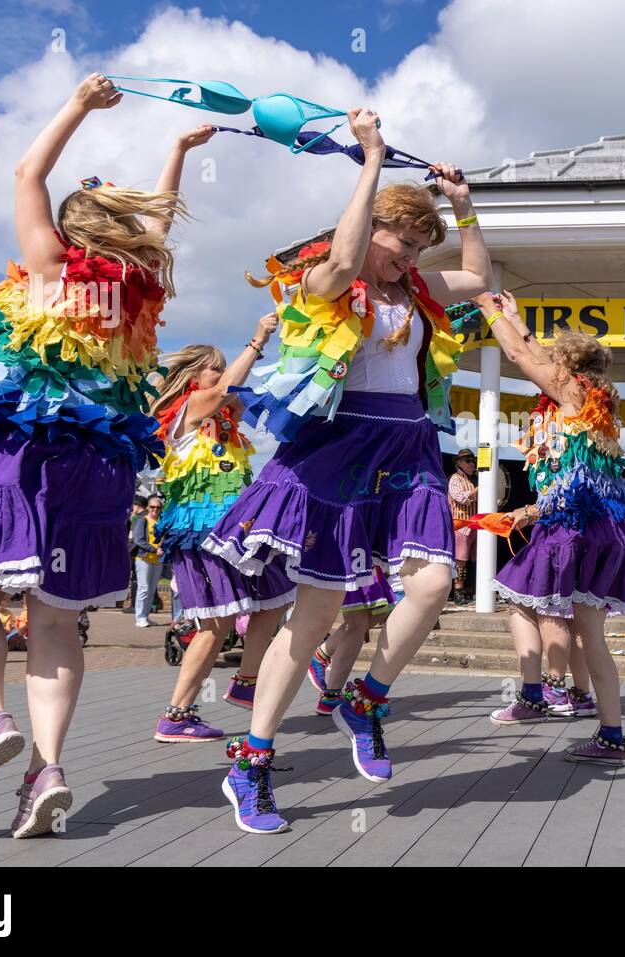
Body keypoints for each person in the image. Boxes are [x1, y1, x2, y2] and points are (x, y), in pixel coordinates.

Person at [0, 74, 206, 838]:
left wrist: (78, 106)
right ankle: (47, 770)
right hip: (98, 468)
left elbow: (27, 172)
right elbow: (157, 229)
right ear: (125, 236)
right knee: (57, 624)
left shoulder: (50, 266)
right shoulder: (136, 291)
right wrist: (177, 153)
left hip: (21, 452)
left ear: (71, 232)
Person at [203, 107, 490, 834]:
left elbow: (480, 275)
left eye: (423, 244)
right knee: (317, 616)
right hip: (339, 448)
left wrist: (462, 209)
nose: (411, 255)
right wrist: (370, 161)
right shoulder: (325, 282)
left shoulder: (419, 294)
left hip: (410, 447)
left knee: (434, 579)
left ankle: (365, 698)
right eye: (403, 240)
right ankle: (253, 759)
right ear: (374, 230)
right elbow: (346, 250)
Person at [475, 290, 625, 763]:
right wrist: (518, 318)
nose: (548, 364)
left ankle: (536, 696)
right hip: (607, 529)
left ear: (565, 369)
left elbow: (519, 354)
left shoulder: (569, 393)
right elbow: (534, 352)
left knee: (520, 601)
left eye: (556, 360)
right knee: (590, 633)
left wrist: (490, 309)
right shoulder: (596, 399)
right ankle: (610, 733)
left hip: (569, 526)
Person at [148, 333, 298, 742]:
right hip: (200, 530)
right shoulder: (190, 406)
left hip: (235, 527)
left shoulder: (224, 415)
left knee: (275, 597)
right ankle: (176, 715)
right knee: (216, 623)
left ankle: (247, 681)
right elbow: (228, 387)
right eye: (216, 365)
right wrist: (258, 339)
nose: (222, 371)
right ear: (195, 375)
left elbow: (258, 392)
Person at [306, 567, 400, 714]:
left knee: (381, 610)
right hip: (352, 556)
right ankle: (331, 695)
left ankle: (322, 655)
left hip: (365, 555)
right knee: (357, 623)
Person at [448, 448, 478, 605]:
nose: (472, 463)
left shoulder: (475, 479)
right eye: (468, 461)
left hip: (475, 526)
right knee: (460, 560)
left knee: (474, 560)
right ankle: (458, 591)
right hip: (461, 526)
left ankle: (471, 589)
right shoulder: (455, 479)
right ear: (459, 463)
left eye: (473, 460)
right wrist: (480, 489)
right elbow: (460, 498)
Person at [130, 497, 165, 627]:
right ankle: (139, 618)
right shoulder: (142, 520)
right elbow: (138, 540)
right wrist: (155, 549)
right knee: (143, 588)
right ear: (147, 508)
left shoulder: (161, 521)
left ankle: (146, 616)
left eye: (158, 507)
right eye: (152, 507)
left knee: (151, 589)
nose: (155, 509)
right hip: (143, 558)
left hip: (157, 560)